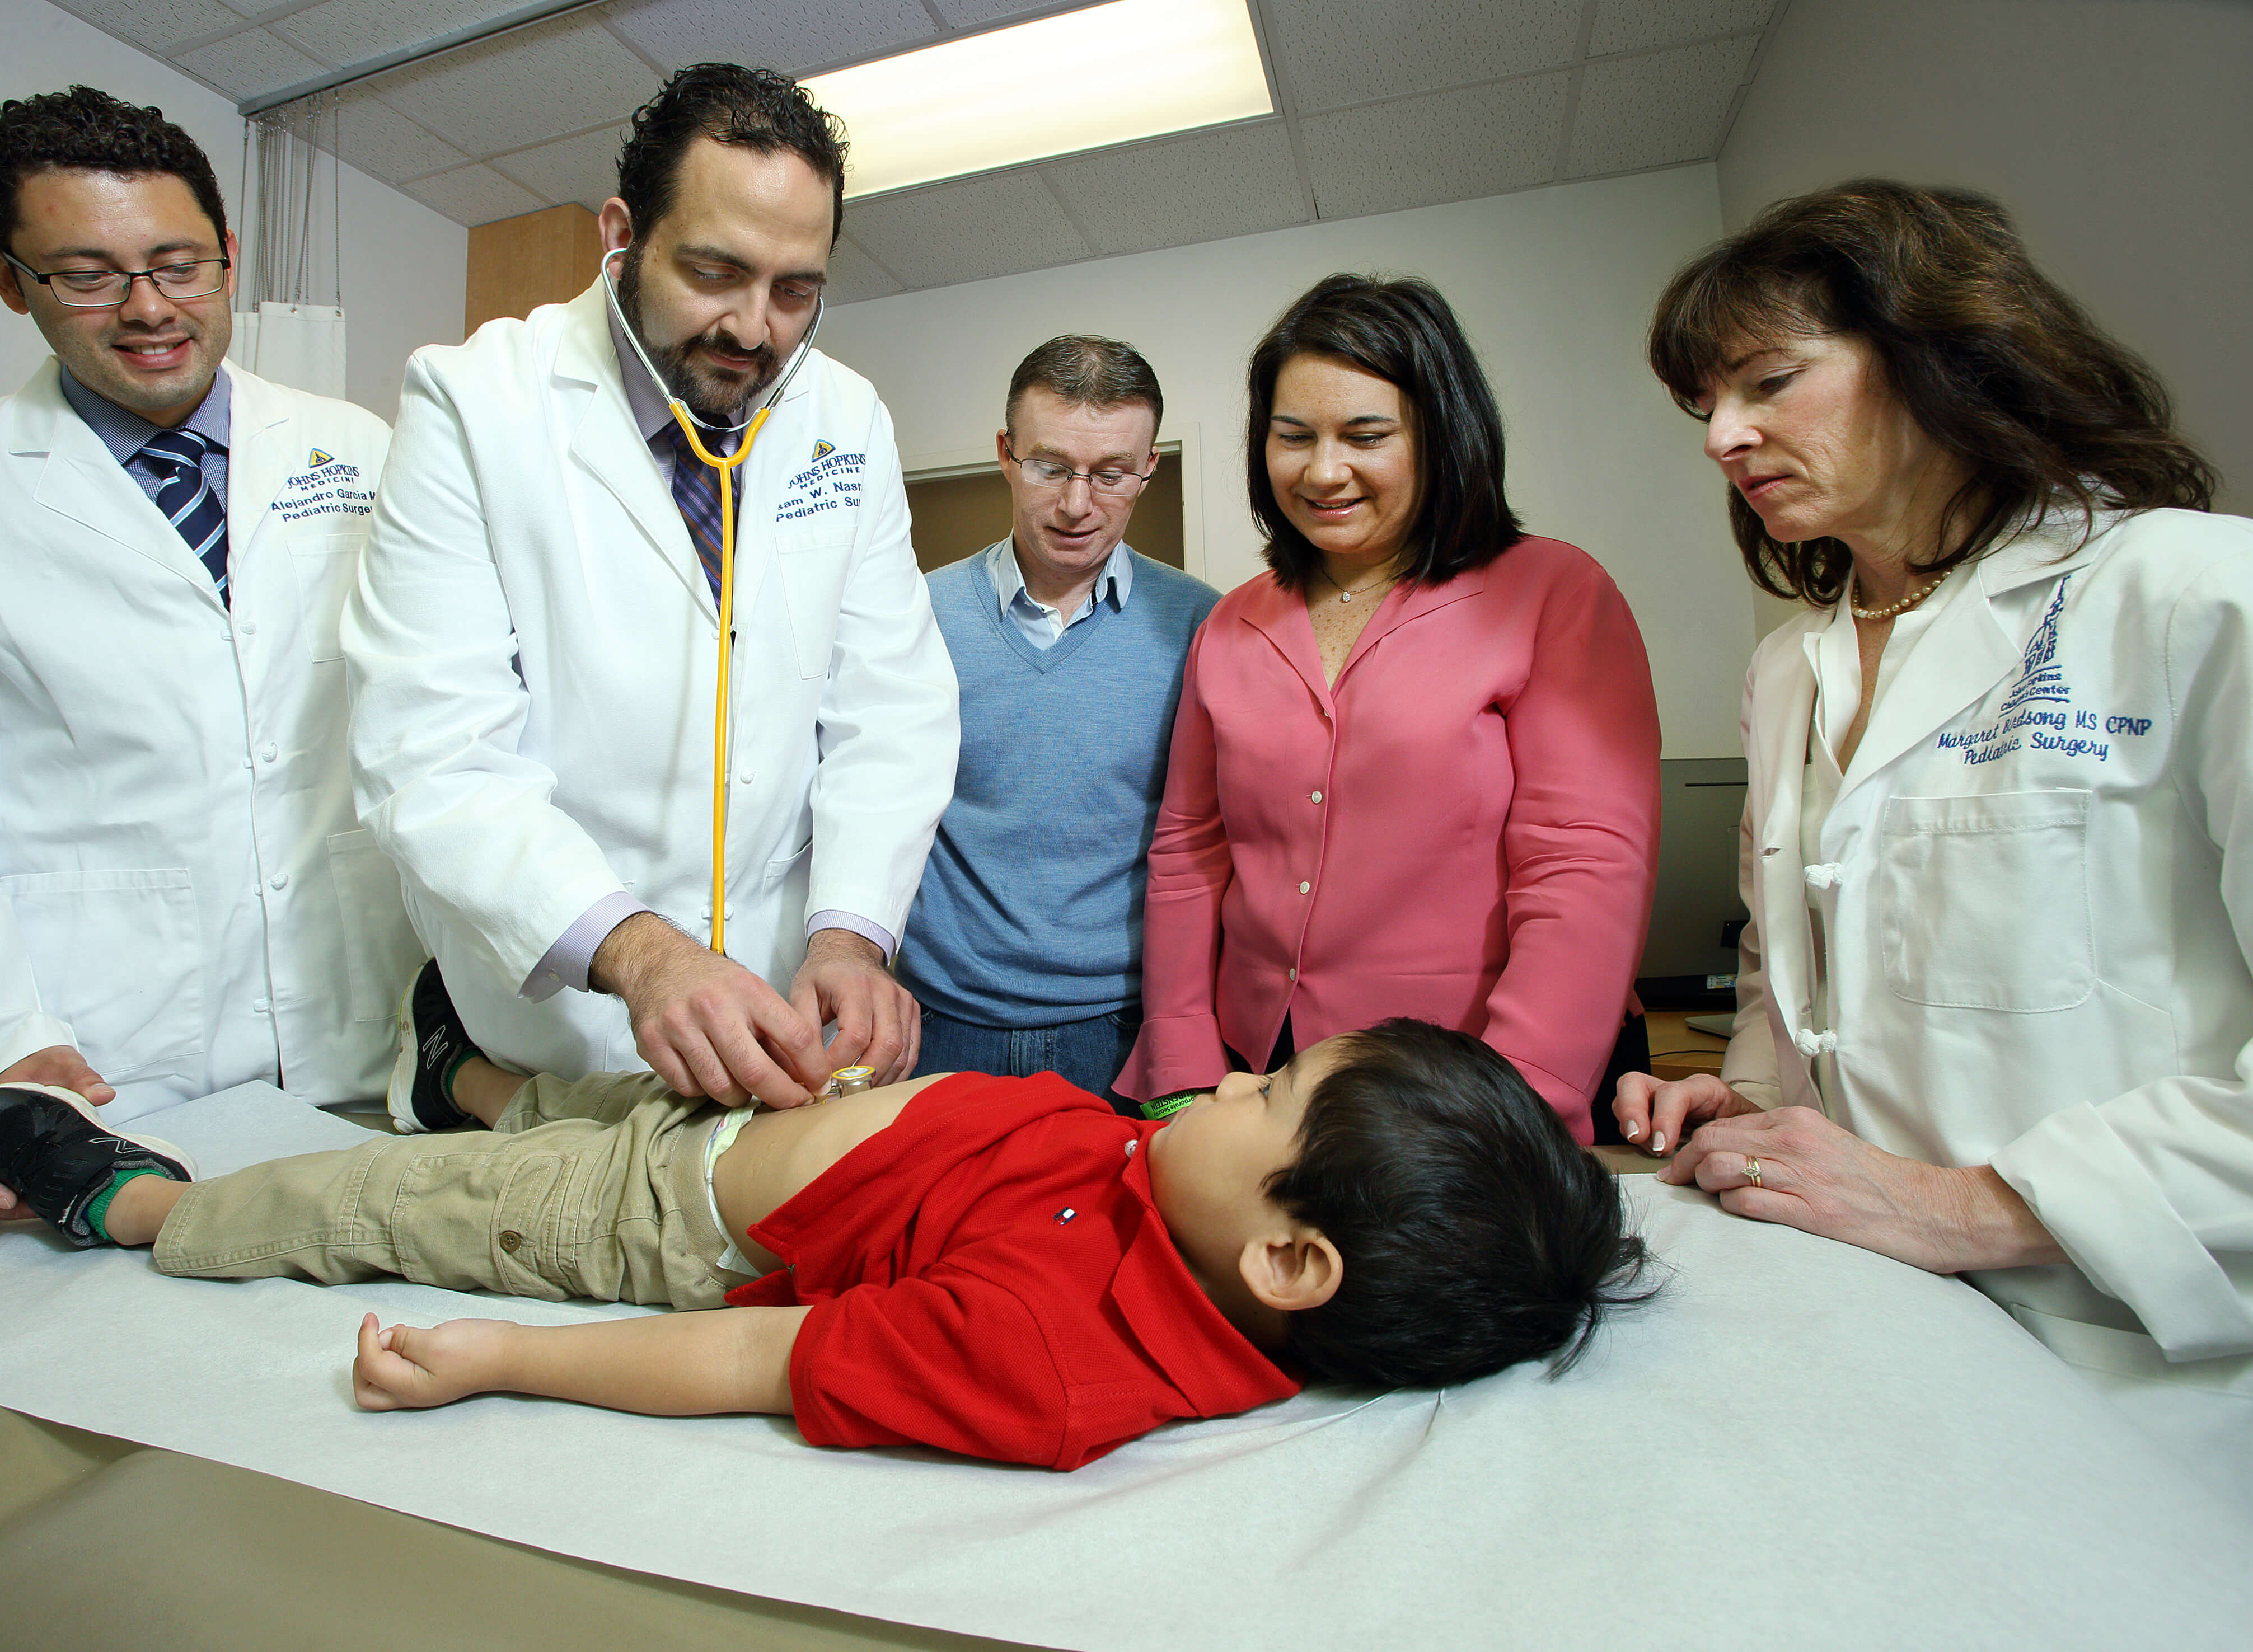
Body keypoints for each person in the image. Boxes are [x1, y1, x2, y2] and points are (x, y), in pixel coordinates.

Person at [1619, 178, 2253, 1509]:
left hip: (2143, 1375)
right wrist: (1755, 1099)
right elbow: (1789, 979)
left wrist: (1965, 1211)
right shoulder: (1790, 672)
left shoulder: (2194, 597)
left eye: (1770, 382)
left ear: (1940, 354)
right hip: (1879, 1349)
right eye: (1706, 407)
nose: (1725, 436)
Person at [0, 1017, 1648, 1470]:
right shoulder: (1191, 1197)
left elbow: (763, 1355)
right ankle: (451, 1071)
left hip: (665, 1225)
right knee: (583, 1088)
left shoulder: (1059, 1366)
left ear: (1288, 1264)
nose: (1227, 1077)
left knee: (401, 1204)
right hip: (769, 1127)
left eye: (1268, 1097)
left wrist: (505, 1362)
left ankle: (133, 1205)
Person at [0, 87, 418, 1242]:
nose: (148, 310)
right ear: (4, 276)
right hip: (102, 1085)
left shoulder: (363, 453)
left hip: (369, 1059)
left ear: (228, 254)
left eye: (178, 265)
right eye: (85, 274)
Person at [344, 65, 957, 1125]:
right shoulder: (478, 406)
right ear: (622, 236)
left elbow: (891, 709)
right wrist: (639, 954)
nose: (756, 331)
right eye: (716, 272)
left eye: (796, 290)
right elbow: (431, 755)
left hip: (776, 1010)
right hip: (565, 1027)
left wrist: (853, 932)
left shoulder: (842, 417)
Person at [1117, 275, 1661, 1143]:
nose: (1323, 471)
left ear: (1442, 436)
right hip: (1265, 1068)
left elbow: (1582, 865)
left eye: (1366, 436)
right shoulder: (1234, 621)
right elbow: (1190, 848)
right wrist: (1181, 1063)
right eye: (1293, 438)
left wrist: (1517, 1104)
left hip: (1466, 1073)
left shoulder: (1552, 595)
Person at [898, 337, 1220, 1108]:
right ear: (1007, 454)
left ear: (1147, 470)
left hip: (1122, 1032)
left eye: (1111, 475)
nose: (1078, 505)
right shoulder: (911, 618)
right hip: (939, 1026)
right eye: (1050, 467)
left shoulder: (1204, 627)